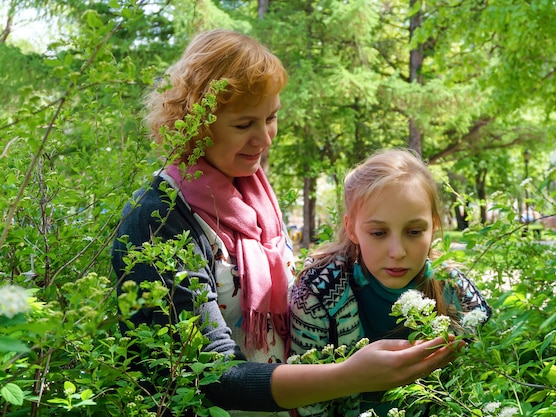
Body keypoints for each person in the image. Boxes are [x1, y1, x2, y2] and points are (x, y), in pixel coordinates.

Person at [111, 29, 464, 417]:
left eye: (271, 117)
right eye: (244, 125)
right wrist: (350, 376)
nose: (264, 139)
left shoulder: (254, 198)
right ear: (196, 121)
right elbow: (204, 376)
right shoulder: (158, 222)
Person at [290, 148, 492, 417]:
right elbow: (308, 403)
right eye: (378, 233)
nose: (397, 251)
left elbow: (479, 388)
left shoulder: (457, 292)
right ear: (352, 229)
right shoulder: (318, 293)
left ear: (433, 227)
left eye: (414, 232)